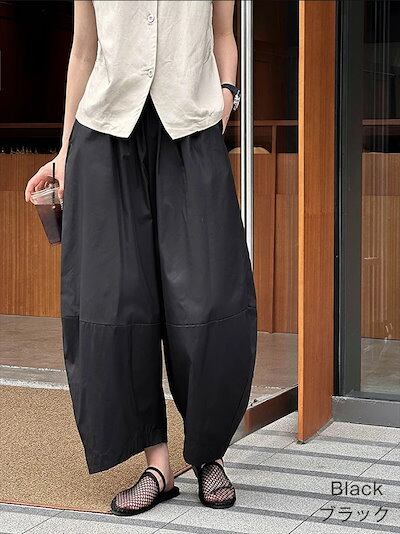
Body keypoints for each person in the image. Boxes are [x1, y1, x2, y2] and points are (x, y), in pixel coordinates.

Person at [25, 0, 257, 516]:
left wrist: (226, 96)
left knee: (209, 296)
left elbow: (223, 34)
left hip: (190, 132)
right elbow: (83, 51)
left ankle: (209, 453)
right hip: (106, 134)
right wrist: (64, 153)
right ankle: (158, 464)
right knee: (120, 300)